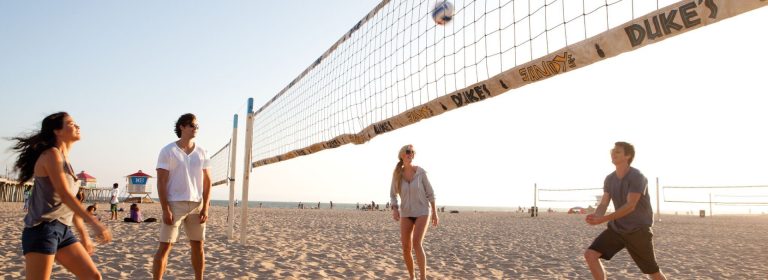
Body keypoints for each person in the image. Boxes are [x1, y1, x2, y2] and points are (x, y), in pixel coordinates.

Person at [10, 112, 112, 279]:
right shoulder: (51, 154)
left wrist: (84, 235)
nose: (77, 126)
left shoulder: (66, 161)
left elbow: (70, 204)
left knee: (93, 276)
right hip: (42, 230)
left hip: (64, 231)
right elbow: (64, 195)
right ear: (57, 131)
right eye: (71, 123)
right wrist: (94, 223)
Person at [584, 142, 667, 280]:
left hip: (638, 231)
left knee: (653, 272)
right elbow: (604, 203)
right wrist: (596, 216)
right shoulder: (609, 178)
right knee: (590, 255)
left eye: (617, 151)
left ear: (627, 156)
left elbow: (630, 205)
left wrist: (603, 219)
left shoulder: (637, 176)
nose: (613, 153)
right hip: (617, 229)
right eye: (612, 151)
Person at [152, 113, 212, 280]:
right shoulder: (168, 151)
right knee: (165, 246)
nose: (195, 128)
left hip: (196, 205)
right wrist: (165, 209)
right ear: (182, 127)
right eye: (192, 125)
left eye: (197, 126)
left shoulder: (203, 151)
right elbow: (161, 182)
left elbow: (208, 181)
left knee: (198, 246)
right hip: (174, 204)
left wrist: (206, 207)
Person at [389, 144, 438, 280]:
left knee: (416, 243)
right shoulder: (397, 175)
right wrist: (395, 208)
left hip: (422, 211)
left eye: (412, 152)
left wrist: (435, 212)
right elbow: (392, 194)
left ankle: (423, 278)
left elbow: (431, 193)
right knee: (406, 248)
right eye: (408, 152)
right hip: (406, 213)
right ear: (402, 155)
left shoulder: (421, 172)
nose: (411, 154)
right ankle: (412, 277)